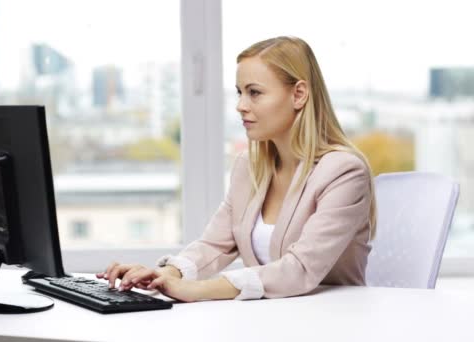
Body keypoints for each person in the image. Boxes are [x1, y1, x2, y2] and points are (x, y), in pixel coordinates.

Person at [96, 36, 377, 302]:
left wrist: (195, 290)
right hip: (268, 321)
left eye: (254, 93)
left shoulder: (343, 172)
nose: (241, 106)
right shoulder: (249, 167)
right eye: (240, 93)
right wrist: (165, 275)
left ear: (299, 94)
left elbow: (298, 270)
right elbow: (214, 246)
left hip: (334, 323)